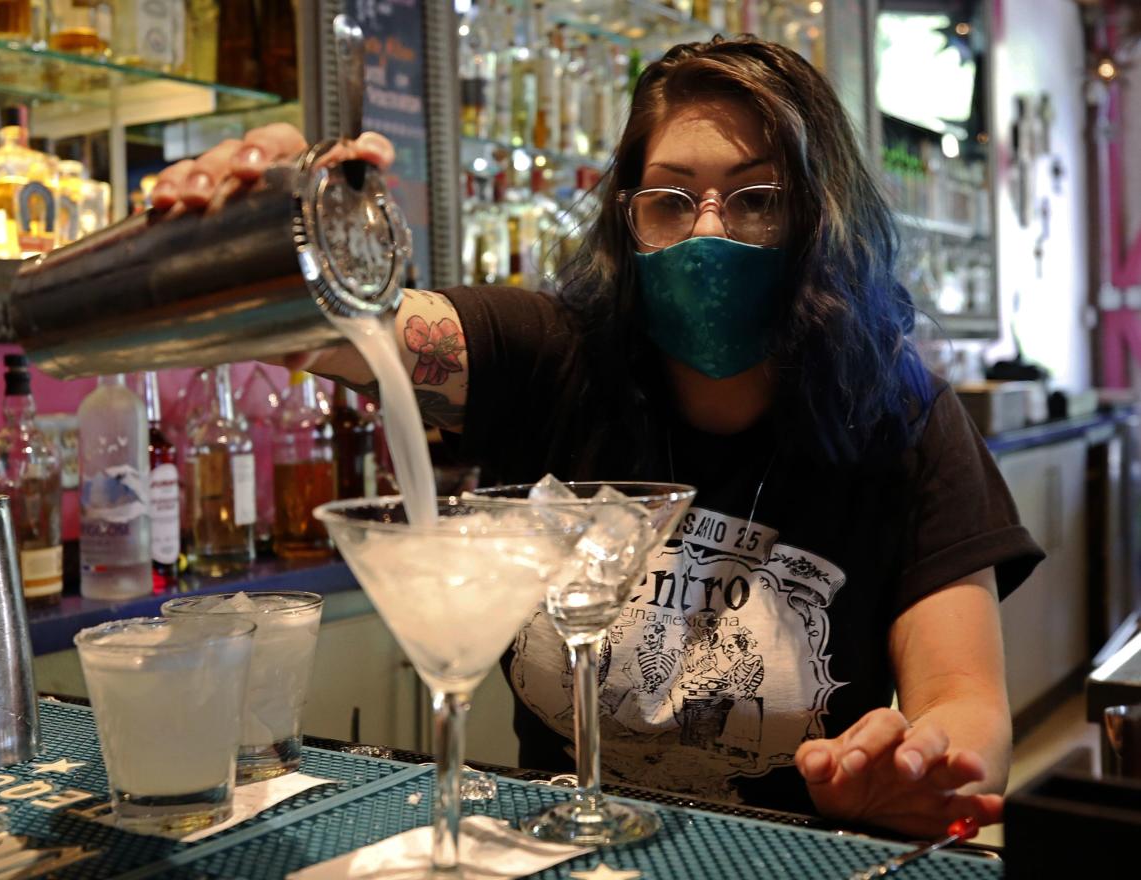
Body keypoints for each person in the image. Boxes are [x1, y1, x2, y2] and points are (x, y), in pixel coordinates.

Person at [152, 35, 1043, 837]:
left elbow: (966, 704)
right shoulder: (550, 354)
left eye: (756, 200)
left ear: (819, 216)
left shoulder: (903, 417)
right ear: (627, 216)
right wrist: (267, 233)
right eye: (670, 199)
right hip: (546, 849)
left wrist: (910, 772)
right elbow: (350, 326)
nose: (708, 231)